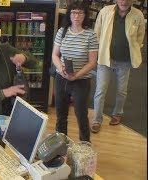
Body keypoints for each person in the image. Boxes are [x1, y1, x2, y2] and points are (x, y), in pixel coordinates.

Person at [91, 0, 145, 133]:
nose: (124, 2)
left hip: (125, 61)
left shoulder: (138, 15)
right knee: (100, 91)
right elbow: (97, 32)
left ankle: (117, 113)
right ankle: (97, 120)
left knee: (122, 90)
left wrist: (135, 49)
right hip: (105, 58)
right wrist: (97, 52)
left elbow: (140, 36)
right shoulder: (105, 11)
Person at [52, 1, 98, 142]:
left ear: (85, 15)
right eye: (73, 12)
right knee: (61, 114)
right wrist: (61, 69)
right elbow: (55, 55)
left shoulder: (90, 35)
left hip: (81, 81)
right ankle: (60, 144)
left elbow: (92, 62)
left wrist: (76, 75)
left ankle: (85, 145)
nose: (76, 16)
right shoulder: (62, 31)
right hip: (61, 78)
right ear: (69, 14)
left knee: (81, 115)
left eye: (80, 12)